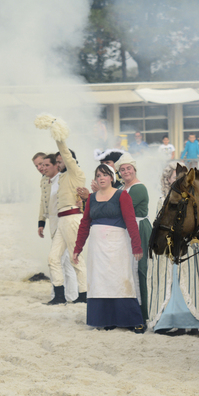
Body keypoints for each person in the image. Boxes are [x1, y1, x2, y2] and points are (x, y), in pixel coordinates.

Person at [148, 162, 199, 334]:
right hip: (175, 248)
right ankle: (177, 321)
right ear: (168, 180)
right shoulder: (161, 202)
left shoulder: (195, 201)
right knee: (176, 286)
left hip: (196, 246)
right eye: (174, 177)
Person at [73, 164, 145, 332]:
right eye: (98, 175)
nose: (102, 178)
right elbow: (84, 224)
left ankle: (133, 320)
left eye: (105, 175)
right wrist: (78, 247)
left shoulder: (122, 195)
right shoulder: (91, 199)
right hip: (97, 247)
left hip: (118, 245)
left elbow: (131, 221)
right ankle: (107, 320)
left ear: (112, 178)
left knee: (120, 280)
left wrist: (136, 246)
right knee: (100, 281)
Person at [38, 123, 88, 305]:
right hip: (62, 219)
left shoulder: (76, 173)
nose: (58, 165)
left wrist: (59, 137)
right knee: (53, 258)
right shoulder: (61, 177)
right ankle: (59, 294)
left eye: (60, 162)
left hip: (73, 218)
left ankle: (83, 293)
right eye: (57, 162)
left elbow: (66, 154)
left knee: (76, 257)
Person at [35, 152, 80, 300]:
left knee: (63, 260)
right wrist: (41, 221)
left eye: (44, 164)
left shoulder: (63, 179)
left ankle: (65, 294)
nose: (41, 168)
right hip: (55, 223)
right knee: (63, 260)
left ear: (56, 165)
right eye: (38, 165)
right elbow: (44, 203)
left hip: (65, 223)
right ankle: (66, 294)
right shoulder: (46, 181)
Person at [114, 152, 152, 324]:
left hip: (138, 229)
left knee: (140, 270)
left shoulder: (139, 188)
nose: (126, 172)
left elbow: (121, 209)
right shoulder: (122, 189)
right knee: (128, 269)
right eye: (122, 169)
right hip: (127, 229)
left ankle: (143, 312)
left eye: (128, 168)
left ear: (134, 169)